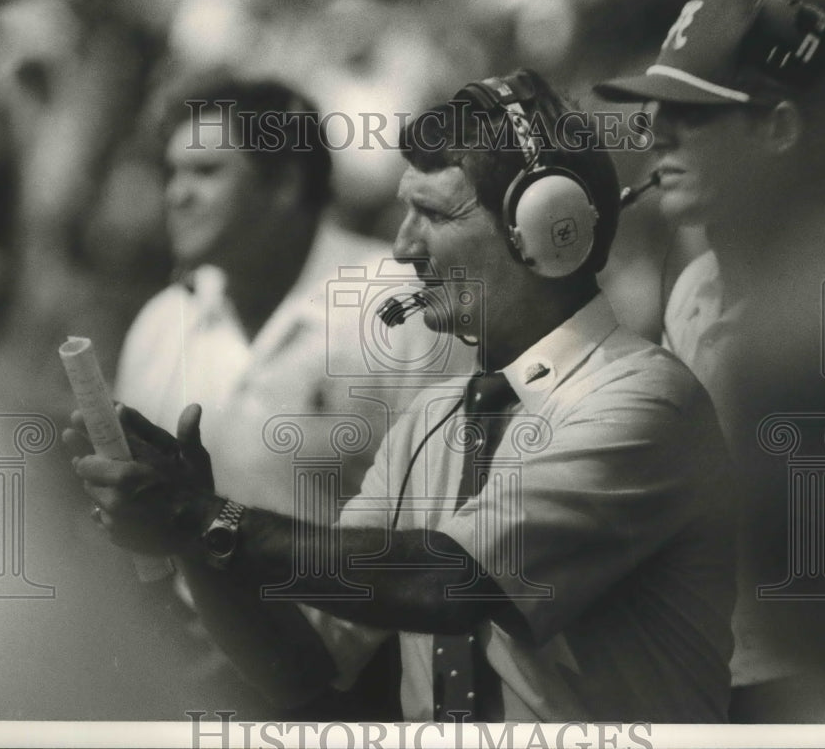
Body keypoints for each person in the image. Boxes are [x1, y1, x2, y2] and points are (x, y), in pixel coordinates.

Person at [68, 68, 737, 722]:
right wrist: (191, 538)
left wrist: (202, 516)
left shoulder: (646, 399)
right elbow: (299, 667)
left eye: (433, 215)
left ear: (542, 230)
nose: (402, 248)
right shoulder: (432, 418)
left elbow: (444, 582)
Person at [114, 70, 461, 718]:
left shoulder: (406, 308)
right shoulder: (160, 324)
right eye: (172, 172)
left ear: (286, 184)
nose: (176, 195)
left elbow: (438, 548)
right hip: (193, 685)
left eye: (207, 172)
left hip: (373, 695)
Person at [594, 0, 825, 721]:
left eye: (691, 113)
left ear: (779, 126)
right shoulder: (695, 288)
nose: (658, 134)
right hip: (723, 674)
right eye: (656, 112)